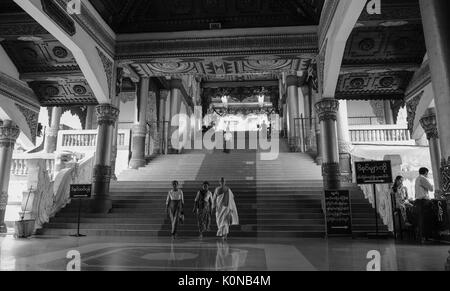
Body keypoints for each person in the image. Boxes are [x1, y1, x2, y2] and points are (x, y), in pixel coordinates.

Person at [414, 168, 434, 243]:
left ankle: (421, 237)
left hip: (418, 201)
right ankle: (425, 237)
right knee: (424, 220)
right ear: (426, 172)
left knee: (420, 220)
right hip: (423, 201)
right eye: (427, 173)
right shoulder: (423, 178)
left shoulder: (417, 178)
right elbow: (431, 188)